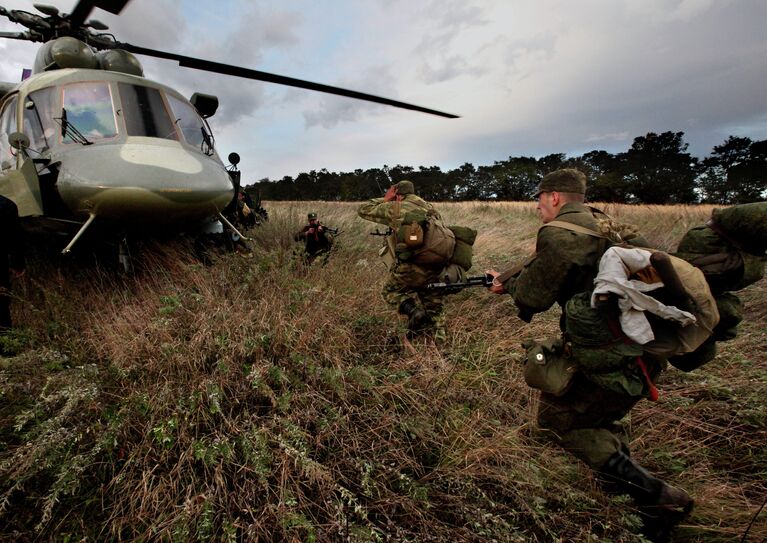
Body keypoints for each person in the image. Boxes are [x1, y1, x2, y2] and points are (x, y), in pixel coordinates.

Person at [486, 169, 694, 542]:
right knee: (602, 417)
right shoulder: (611, 226)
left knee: (561, 424)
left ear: (553, 197)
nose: (537, 207)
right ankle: (632, 502)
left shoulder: (560, 234)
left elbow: (533, 297)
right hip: (643, 346)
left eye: (539, 199)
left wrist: (511, 287)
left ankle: (656, 496)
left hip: (607, 355)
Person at [357, 180, 448, 342]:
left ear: (397, 194)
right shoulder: (430, 208)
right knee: (434, 307)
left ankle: (414, 312)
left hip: (410, 266)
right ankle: (441, 345)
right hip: (436, 264)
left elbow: (363, 210)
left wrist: (386, 199)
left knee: (390, 293)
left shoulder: (395, 207)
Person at [1, 195, 25, 332]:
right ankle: (6, 346)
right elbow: (16, 238)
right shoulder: (7, 205)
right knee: (1, 305)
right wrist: (18, 263)